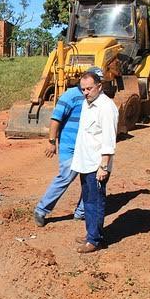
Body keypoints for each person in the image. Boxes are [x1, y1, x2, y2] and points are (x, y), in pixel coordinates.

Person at [70, 71, 118, 253]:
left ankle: (95, 240)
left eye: (89, 88)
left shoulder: (106, 107)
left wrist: (103, 166)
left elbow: (109, 139)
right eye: (83, 89)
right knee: (88, 201)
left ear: (99, 86)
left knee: (95, 202)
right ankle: (91, 233)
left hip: (97, 166)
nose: (86, 92)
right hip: (85, 162)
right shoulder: (87, 104)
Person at [33, 80, 88, 227]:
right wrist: (52, 142)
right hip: (69, 145)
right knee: (66, 177)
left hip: (87, 147)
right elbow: (56, 119)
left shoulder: (95, 97)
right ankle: (41, 210)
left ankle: (81, 212)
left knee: (89, 179)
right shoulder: (70, 96)